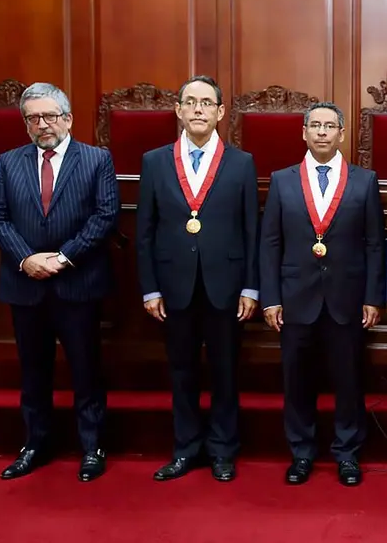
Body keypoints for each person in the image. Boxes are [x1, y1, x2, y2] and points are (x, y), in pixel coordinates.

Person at [0, 82, 120, 482]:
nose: (42, 124)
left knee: (86, 370)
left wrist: (62, 258)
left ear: (68, 118)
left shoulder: (96, 159)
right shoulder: (9, 161)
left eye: (49, 116)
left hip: (77, 283)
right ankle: (35, 444)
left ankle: (92, 446)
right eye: (33, 118)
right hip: (25, 283)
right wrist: (27, 259)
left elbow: (105, 215)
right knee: (33, 371)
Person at [136, 75, 259, 482]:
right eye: (191, 102)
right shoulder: (155, 161)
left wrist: (250, 286)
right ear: (179, 110)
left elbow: (250, 230)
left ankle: (223, 450)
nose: (199, 110)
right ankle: (186, 449)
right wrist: (150, 286)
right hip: (174, 287)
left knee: (225, 372)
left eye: (207, 103)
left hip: (226, 285)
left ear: (221, 112)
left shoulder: (241, 163)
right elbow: (145, 231)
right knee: (182, 371)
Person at [259, 101, 385, 487]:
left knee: (348, 379)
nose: (323, 132)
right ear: (304, 132)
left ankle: (347, 454)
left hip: (347, 299)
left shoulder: (364, 181)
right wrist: (271, 297)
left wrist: (373, 297)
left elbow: (374, 244)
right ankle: (301, 452)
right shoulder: (282, 180)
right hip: (295, 298)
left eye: (330, 126)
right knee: (297, 381)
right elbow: (270, 243)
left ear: (342, 134)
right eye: (315, 125)